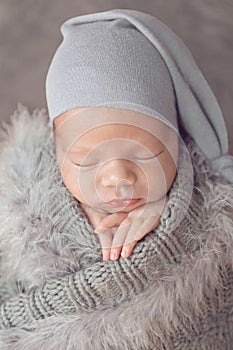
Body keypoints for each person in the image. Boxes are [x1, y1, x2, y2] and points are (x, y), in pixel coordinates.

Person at [0, 8, 232, 350]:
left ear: (177, 140)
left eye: (145, 153)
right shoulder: (15, 215)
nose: (118, 177)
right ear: (56, 150)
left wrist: (175, 218)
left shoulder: (215, 225)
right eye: (86, 159)